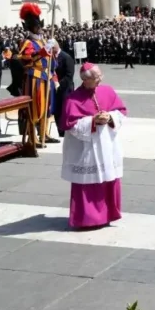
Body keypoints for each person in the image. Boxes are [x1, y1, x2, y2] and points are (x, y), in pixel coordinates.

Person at [60, 63, 128, 229]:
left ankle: (109, 213)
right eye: (96, 78)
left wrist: (110, 116)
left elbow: (121, 111)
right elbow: (70, 125)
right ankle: (87, 218)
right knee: (87, 183)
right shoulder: (73, 98)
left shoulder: (108, 91)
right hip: (87, 148)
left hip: (107, 145)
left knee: (109, 179)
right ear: (85, 80)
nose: (100, 79)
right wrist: (93, 121)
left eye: (100, 76)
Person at [15, 3, 54, 147]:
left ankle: (44, 133)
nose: (40, 29)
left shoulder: (42, 40)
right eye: (37, 27)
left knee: (47, 106)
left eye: (40, 26)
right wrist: (42, 52)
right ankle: (33, 137)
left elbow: (49, 60)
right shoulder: (27, 42)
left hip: (45, 76)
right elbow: (26, 58)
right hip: (34, 78)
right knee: (35, 107)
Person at [51, 40, 76, 137]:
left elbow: (69, 76)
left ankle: (66, 131)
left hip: (65, 89)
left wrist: (58, 84)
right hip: (55, 89)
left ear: (55, 47)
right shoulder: (51, 57)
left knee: (64, 110)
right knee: (57, 110)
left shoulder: (66, 57)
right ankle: (60, 131)